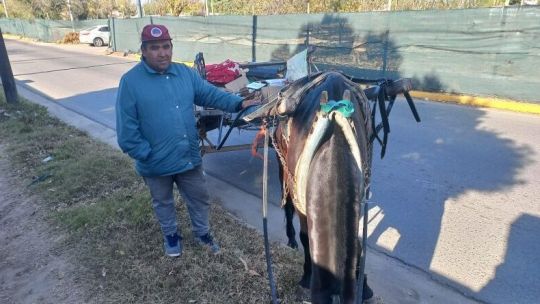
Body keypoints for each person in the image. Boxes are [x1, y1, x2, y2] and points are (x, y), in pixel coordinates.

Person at [115, 24, 260, 257]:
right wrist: (146, 154)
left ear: (171, 47)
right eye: (154, 48)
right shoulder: (131, 82)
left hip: (187, 156)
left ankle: (202, 234)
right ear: (143, 50)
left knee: (199, 197)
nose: (162, 53)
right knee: (163, 203)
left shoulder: (183, 73)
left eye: (166, 46)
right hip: (155, 162)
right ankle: (171, 237)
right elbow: (126, 130)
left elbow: (209, 94)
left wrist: (237, 103)